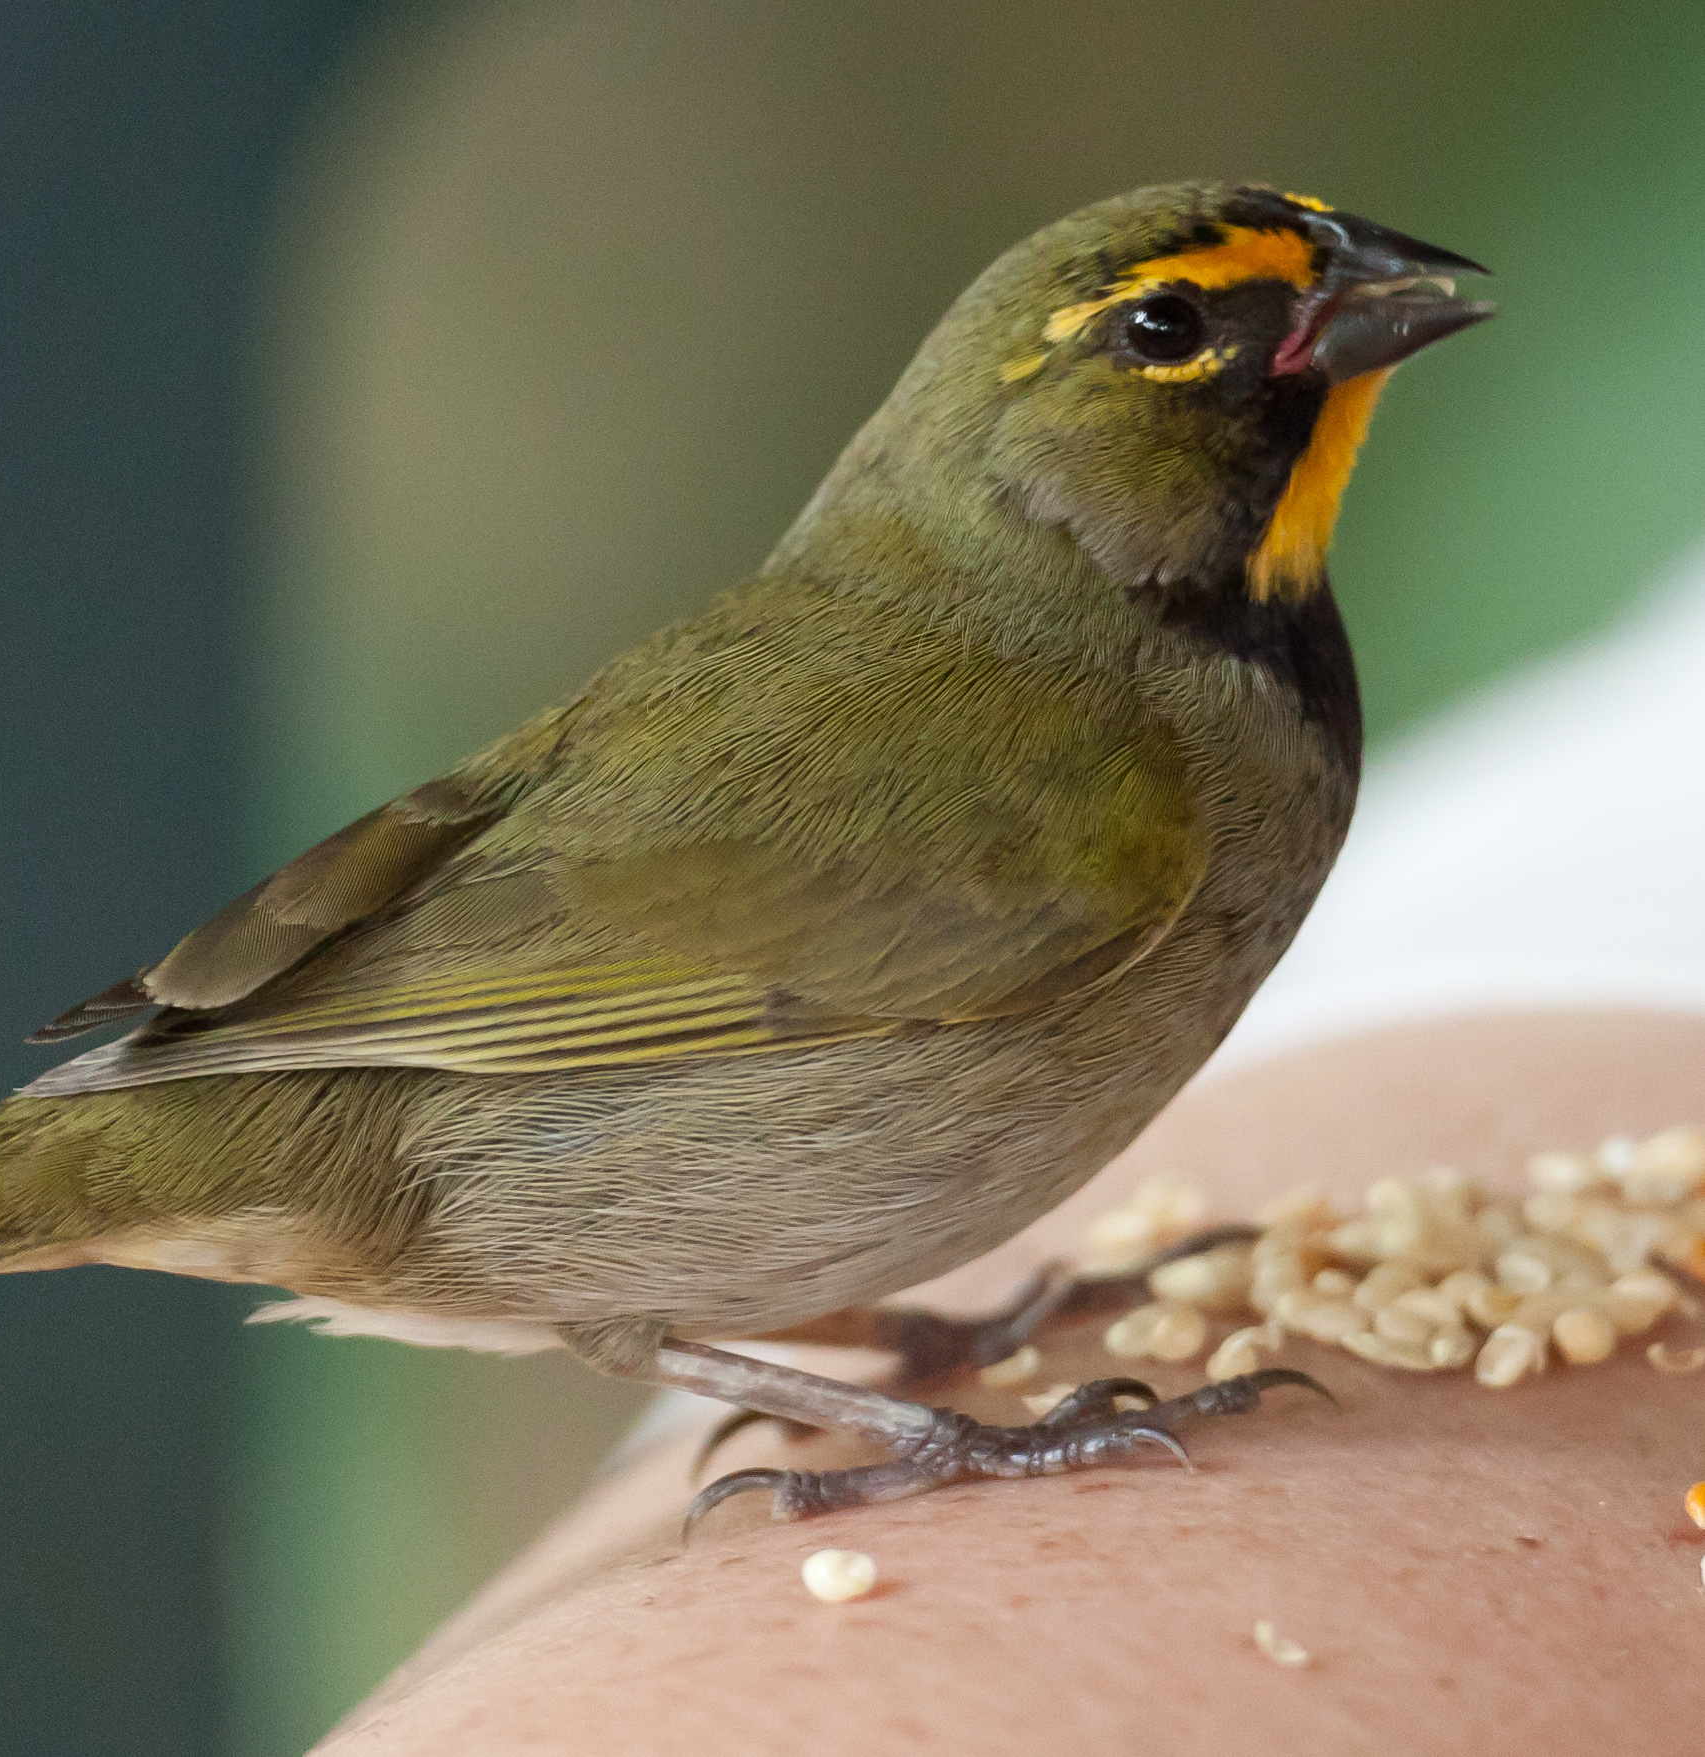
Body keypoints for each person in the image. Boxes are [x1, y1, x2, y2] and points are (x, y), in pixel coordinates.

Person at [316, 557, 1705, 1752]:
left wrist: (921, 1342)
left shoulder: (1103, 740)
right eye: (1171, 336)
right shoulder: (1076, 772)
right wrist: (941, 1443)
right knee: (628, 1321)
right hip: (417, 1093)